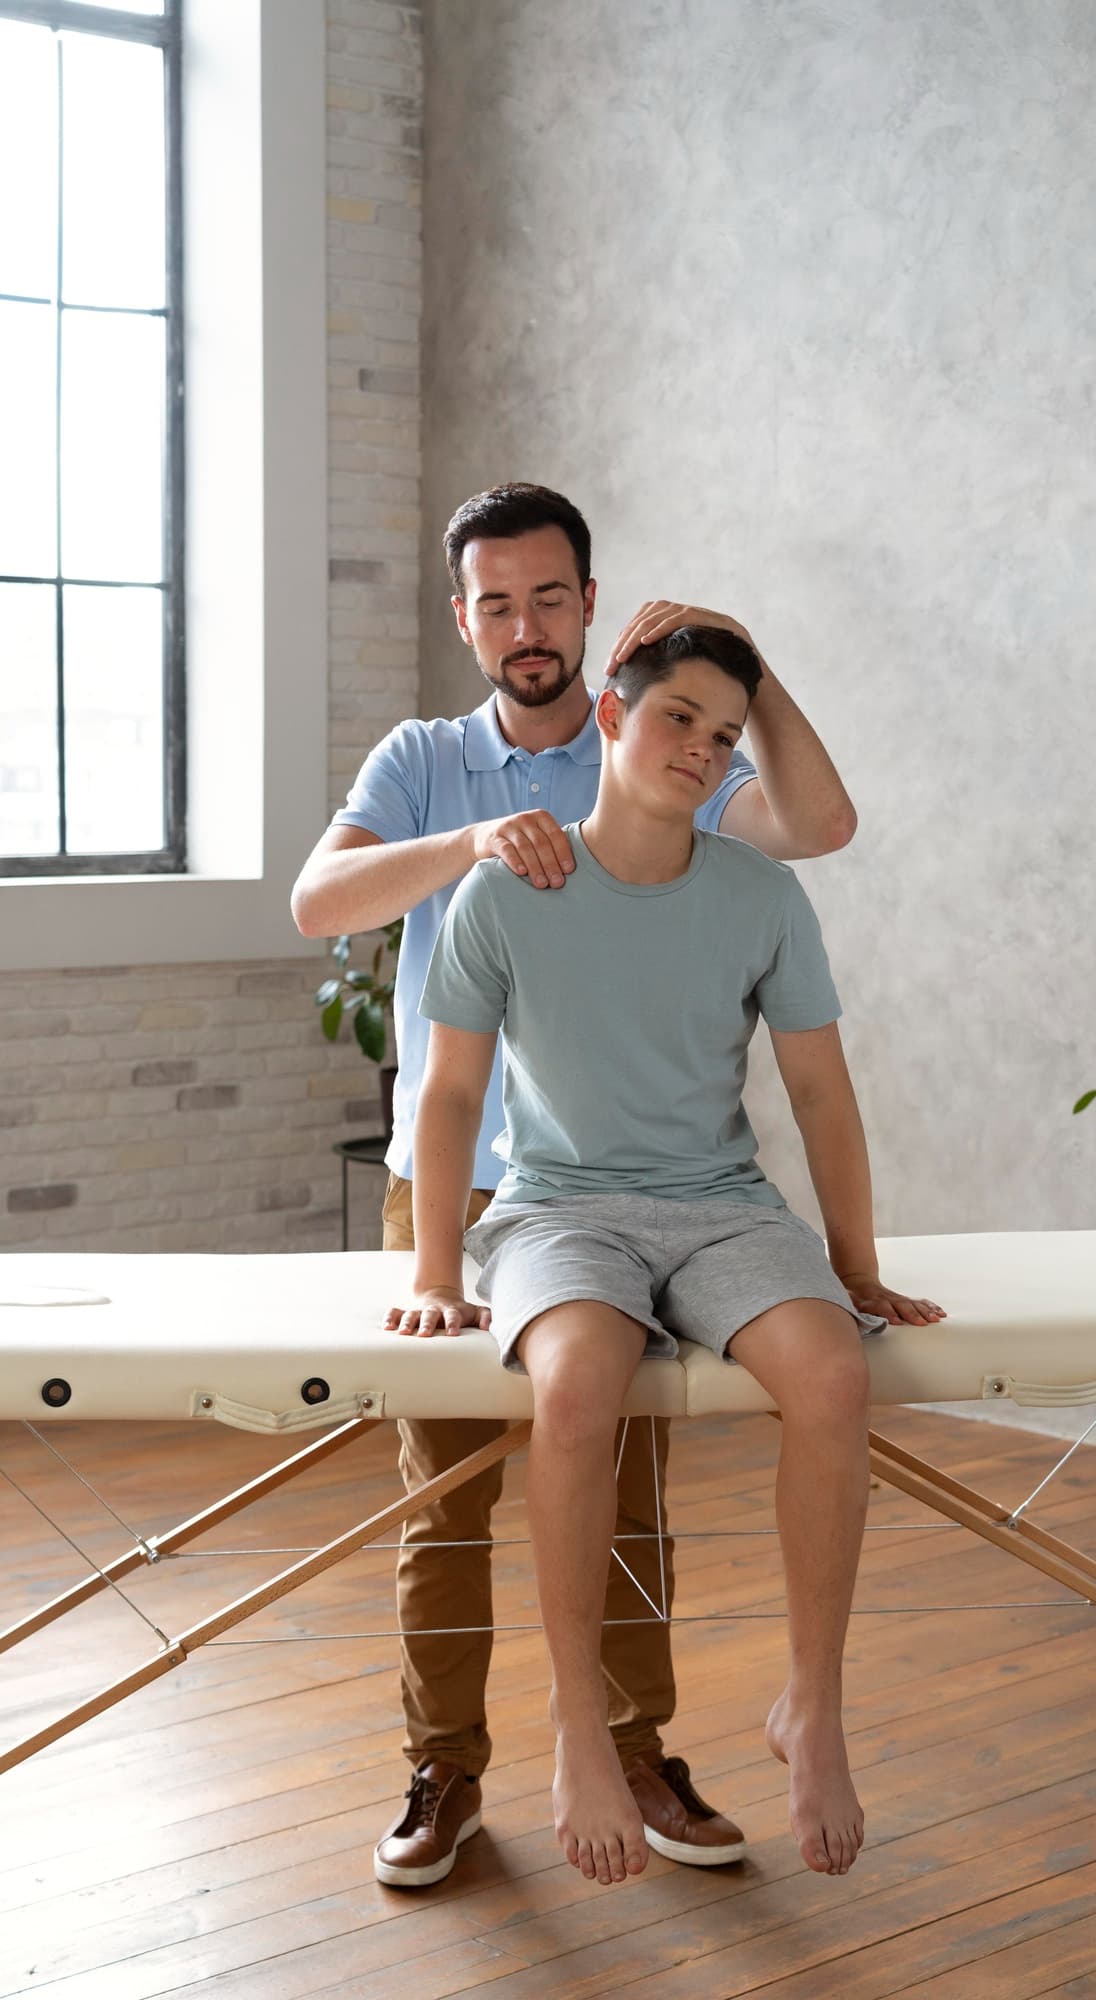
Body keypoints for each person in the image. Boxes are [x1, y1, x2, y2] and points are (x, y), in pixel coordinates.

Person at [291, 483, 859, 1888]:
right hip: (470, 1190)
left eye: (550, 597)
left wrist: (743, 665)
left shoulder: (663, 739)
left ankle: (636, 1741)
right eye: (496, 602)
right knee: (443, 1497)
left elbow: (817, 823)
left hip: (656, 1186)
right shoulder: (427, 759)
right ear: (464, 616)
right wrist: (476, 845)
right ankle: (445, 1765)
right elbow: (321, 903)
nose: (524, 625)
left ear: (591, 612)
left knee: (629, 1472)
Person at [389, 623, 946, 1887]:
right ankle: (578, 1725)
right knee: (578, 1383)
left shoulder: (759, 894)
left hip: (720, 1208)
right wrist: (433, 1273)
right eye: (679, 717)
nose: (701, 748)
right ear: (611, 716)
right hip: (557, 1212)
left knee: (831, 1373)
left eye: (723, 735)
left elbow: (820, 1093)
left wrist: (852, 1268)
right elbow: (446, 1096)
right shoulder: (504, 891)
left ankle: (812, 1704)